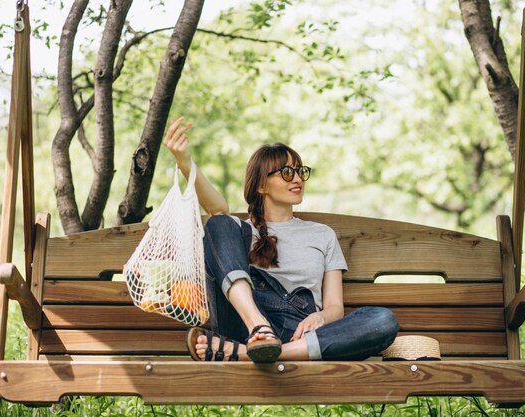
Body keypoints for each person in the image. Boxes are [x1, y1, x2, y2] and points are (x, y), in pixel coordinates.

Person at [163, 116, 399, 363]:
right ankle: (260, 329)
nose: (297, 179)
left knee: (382, 321)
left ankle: (253, 353)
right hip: (245, 325)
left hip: (301, 334)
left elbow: (334, 307)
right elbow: (219, 210)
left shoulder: (322, 234)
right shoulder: (241, 232)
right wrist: (185, 162)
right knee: (218, 223)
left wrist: (321, 318)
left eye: (300, 171)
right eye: (286, 172)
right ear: (262, 185)